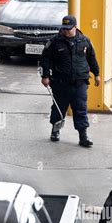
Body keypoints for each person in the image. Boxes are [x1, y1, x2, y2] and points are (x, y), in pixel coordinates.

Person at [40, 15, 100, 147]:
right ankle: (55, 131)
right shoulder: (55, 42)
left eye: (69, 29)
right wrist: (45, 76)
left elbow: (92, 58)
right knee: (59, 108)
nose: (66, 31)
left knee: (80, 108)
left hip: (80, 82)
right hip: (61, 82)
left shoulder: (85, 41)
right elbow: (45, 60)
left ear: (75, 27)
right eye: (64, 29)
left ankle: (83, 136)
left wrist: (96, 74)